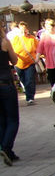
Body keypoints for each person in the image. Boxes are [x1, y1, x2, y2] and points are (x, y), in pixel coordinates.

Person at [0, 24, 19, 165]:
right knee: (12, 119)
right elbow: (14, 60)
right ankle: (6, 148)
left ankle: (7, 150)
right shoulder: (4, 42)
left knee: (1, 120)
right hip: (5, 83)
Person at [11, 22, 39, 105]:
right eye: (21, 29)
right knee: (23, 81)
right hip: (18, 64)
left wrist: (37, 57)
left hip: (30, 63)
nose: (23, 30)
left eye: (24, 28)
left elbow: (38, 49)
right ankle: (27, 93)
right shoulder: (16, 39)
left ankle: (30, 98)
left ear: (27, 29)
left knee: (29, 80)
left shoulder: (32, 39)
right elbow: (12, 50)